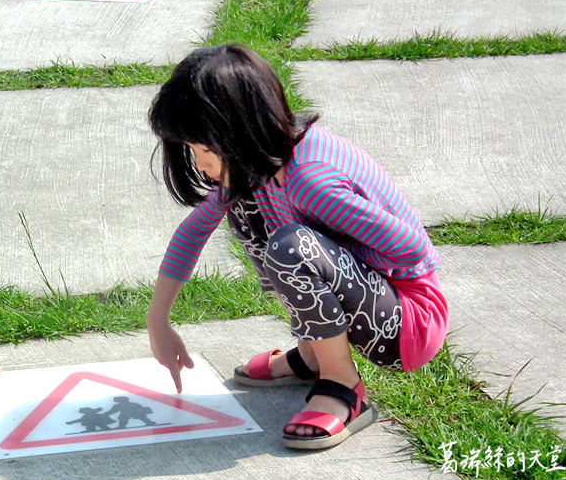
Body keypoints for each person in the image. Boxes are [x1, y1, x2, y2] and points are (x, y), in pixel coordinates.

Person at [146, 45, 448, 450]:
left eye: (203, 149)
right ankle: (313, 355)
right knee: (249, 212)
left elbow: (416, 251)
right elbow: (192, 233)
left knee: (292, 248)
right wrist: (158, 322)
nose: (198, 163)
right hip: (370, 300)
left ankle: (342, 384)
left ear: (236, 133)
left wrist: (336, 253)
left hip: (408, 325)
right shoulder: (259, 164)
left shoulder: (312, 183)